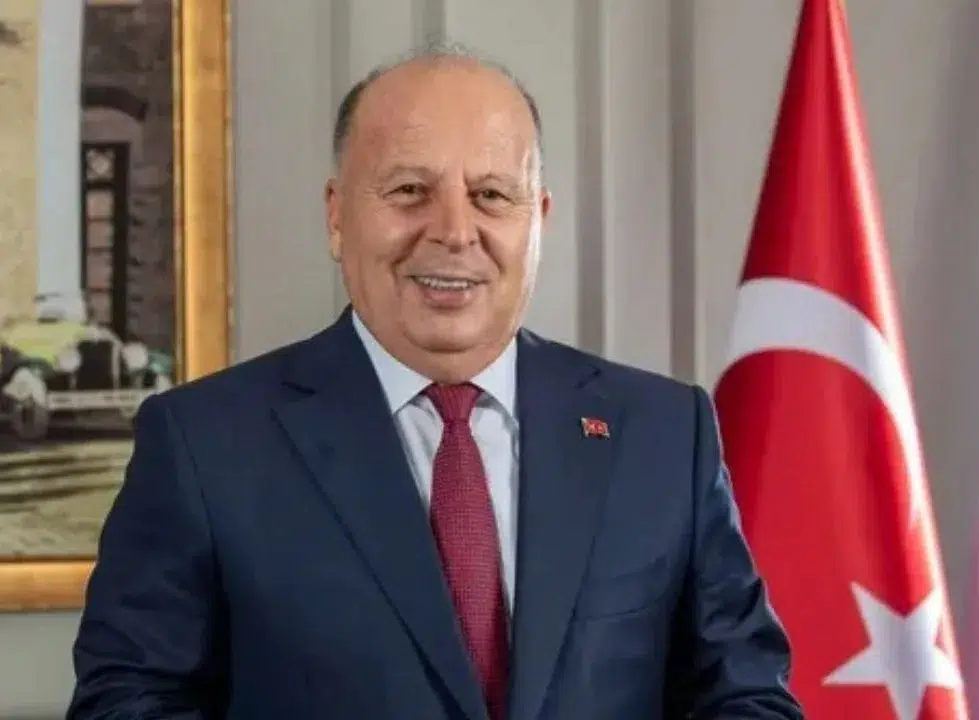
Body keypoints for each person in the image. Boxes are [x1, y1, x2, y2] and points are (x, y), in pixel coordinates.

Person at [67, 42, 803, 720]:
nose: (453, 230)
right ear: (336, 216)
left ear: (538, 220)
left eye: (492, 196)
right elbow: (126, 704)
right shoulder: (203, 445)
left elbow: (746, 697)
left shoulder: (664, 433)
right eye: (410, 190)